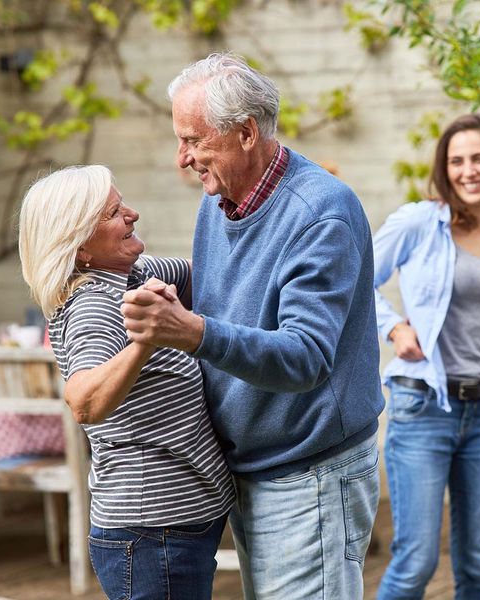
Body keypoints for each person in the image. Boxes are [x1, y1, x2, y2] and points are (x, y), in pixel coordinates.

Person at [121, 52, 384, 599]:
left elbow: (305, 356)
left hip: (309, 472)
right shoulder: (220, 201)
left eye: (194, 140)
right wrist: (110, 271)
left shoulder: (319, 215)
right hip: (254, 469)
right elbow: (227, 284)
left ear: (245, 132)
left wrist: (193, 331)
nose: (182, 158)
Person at [18, 165, 235, 600]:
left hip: (178, 524)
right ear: (79, 245)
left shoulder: (133, 274)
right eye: (114, 212)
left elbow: (212, 275)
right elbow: (83, 401)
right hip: (152, 532)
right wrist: (146, 342)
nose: (132, 214)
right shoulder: (94, 303)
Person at [373, 113, 480, 600]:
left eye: (479, 158)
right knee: (416, 561)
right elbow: (351, 279)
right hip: (424, 406)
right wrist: (392, 324)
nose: (468, 170)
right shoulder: (419, 222)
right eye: (456, 161)